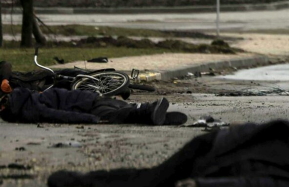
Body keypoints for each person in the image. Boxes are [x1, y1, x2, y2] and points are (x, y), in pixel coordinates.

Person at [46, 120, 289, 187]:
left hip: (212, 165)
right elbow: (285, 127)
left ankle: (77, 179)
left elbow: (249, 186)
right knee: (151, 181)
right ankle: (74, 180)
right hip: (214, 145)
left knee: (152, 181)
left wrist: (201, 186)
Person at [0, 80, 183, 126]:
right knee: (121, 108)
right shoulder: (23, 95)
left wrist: (88, 119)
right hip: (86, 98)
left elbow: (59, 115)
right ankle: (155, 114)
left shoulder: (26, 109)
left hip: (85, 107)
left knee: (117, 115)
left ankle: (149, 113)